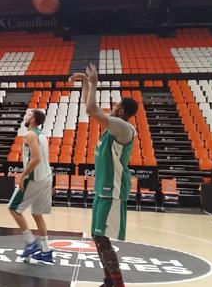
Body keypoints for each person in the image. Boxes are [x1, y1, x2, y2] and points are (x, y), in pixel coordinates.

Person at [70, 63, 138, 287]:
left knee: (101, 237)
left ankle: (117, 283)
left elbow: (91, 110)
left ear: (120, 111)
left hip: (114, 189)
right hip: (103, 189)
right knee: (96, 236)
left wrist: (93, 83)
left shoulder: (124, 128)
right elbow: (89, 108)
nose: (112, 108)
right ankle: (109, 281)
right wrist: (85, 84)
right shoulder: (114, 129)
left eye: (115, 105)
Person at [8, 109, 54, 263]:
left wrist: (22, 176)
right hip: (46, 178)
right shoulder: (42, 135)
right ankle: (46, 251)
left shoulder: (30, 135)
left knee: (13, 208)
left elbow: (36, 159)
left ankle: (31, 242)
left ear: (33, 119)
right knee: (37, 213)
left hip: (34, 178)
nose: (26, 117)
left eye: (29, 115)